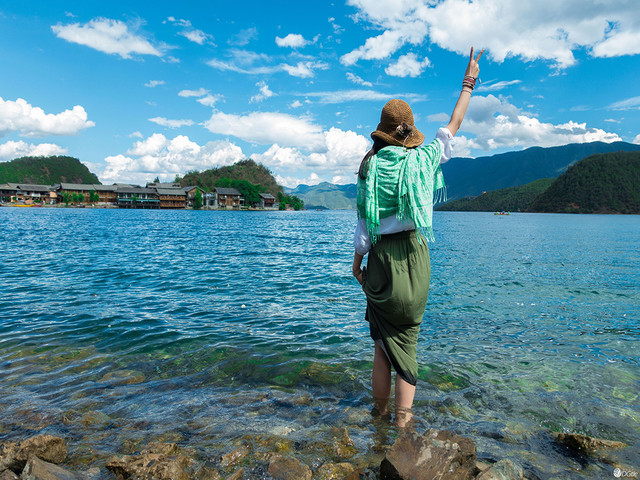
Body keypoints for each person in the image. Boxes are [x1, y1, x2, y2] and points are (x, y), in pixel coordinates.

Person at [352, 47, 484, 426]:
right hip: (414, 261)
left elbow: (363, 229)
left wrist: (357, 265)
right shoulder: (424, 159)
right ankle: (403, 425)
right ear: (409, 132)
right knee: (406, 345)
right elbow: (453, 125)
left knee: (380, 347)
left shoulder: (370, 167)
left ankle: (378, 417)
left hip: (379, 262)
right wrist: (468, 82)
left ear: (382, 131)